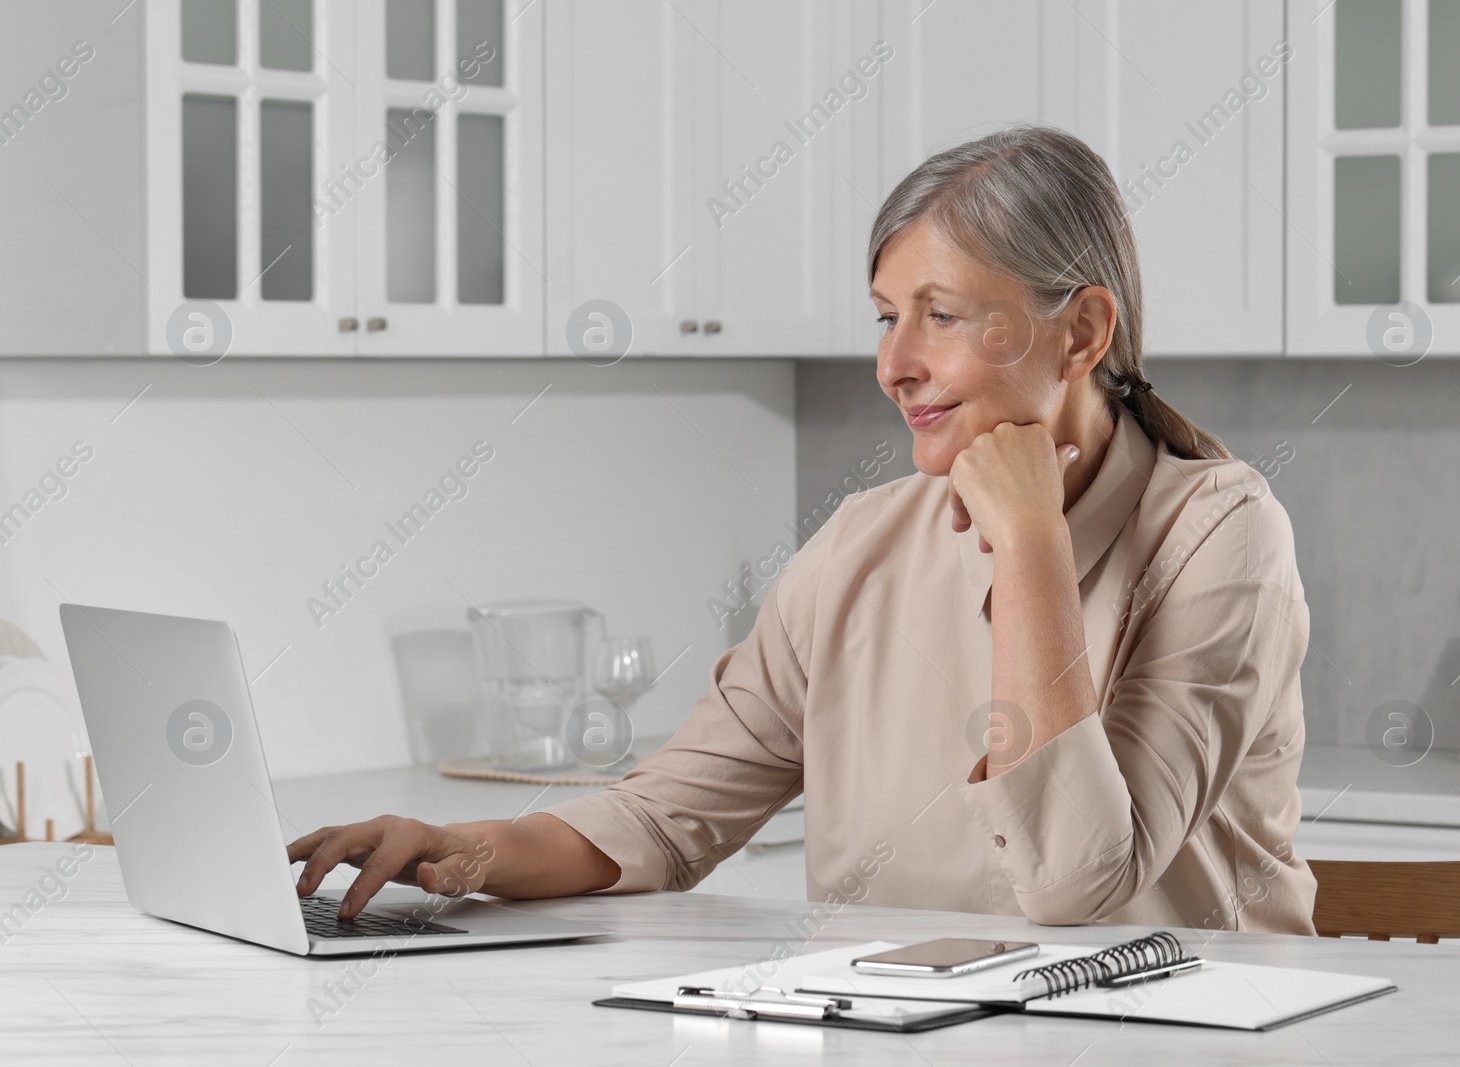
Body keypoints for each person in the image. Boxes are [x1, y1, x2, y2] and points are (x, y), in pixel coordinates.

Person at [290, 124, 1318, 935]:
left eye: (942, 315)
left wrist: (1032, 545)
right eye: (885, 316)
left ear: (1082, 331)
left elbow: (1074, 881)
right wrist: (455, 849)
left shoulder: (1221, 534)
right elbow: (664, 815)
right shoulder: (860, 544)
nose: (894, 363)